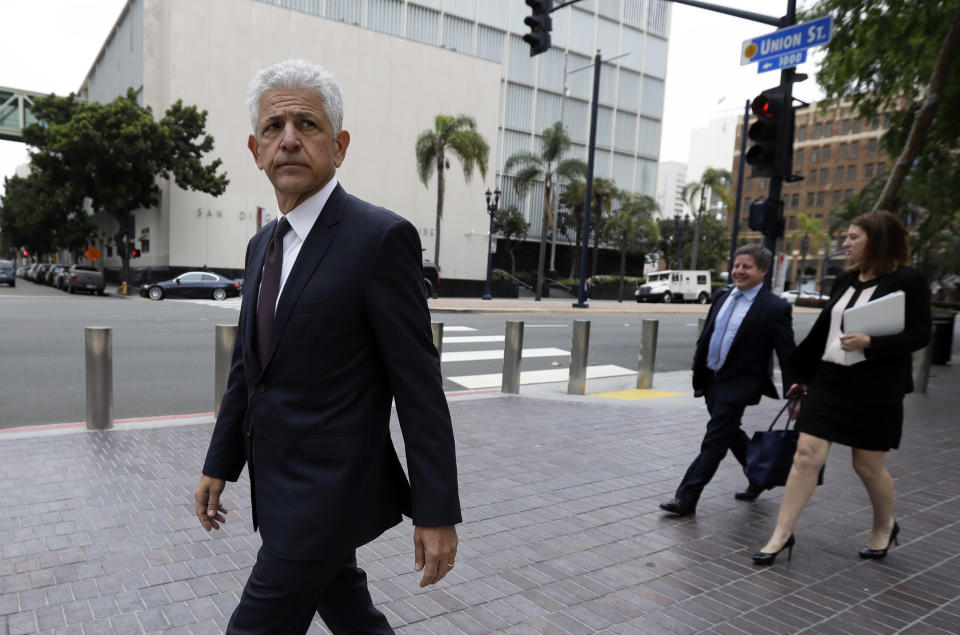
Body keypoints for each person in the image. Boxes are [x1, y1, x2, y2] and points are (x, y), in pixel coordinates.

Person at [193, 59, 461, 633]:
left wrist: (435, 511)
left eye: (306, 125)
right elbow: (250, 369)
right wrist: (221, 463)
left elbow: (418, 389)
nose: (288, 139)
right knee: (350, 614)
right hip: (278, 486)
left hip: (327, 498)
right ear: (255, 148)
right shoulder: (261, 243)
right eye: (273, 127)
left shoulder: (379, 239)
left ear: (338, 146)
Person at [754, 210, 931, 565]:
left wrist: (870, 341)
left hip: (876, 387)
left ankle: (885, 525)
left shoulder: (908, 281)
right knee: (806, 456)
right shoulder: (844, 280)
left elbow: (920, 334)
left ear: (876, 240)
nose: (845, 244)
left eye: (853, 237)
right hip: (830, 381)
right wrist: (802, 379)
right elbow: (825, 333)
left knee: (866, 466)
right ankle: (781, 534)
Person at [660, 244, 796, 517]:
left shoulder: (774, 307)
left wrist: (795, 390)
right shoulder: (722, 295)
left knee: (715, 440)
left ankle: (686, 498)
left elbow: (787, 351)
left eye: (747, 267)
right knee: (729, 432)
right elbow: (710, 334)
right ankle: (759, 477)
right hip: (711, 380)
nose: (739, 271)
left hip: (740, 384)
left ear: (763, 271)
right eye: (736, 265)